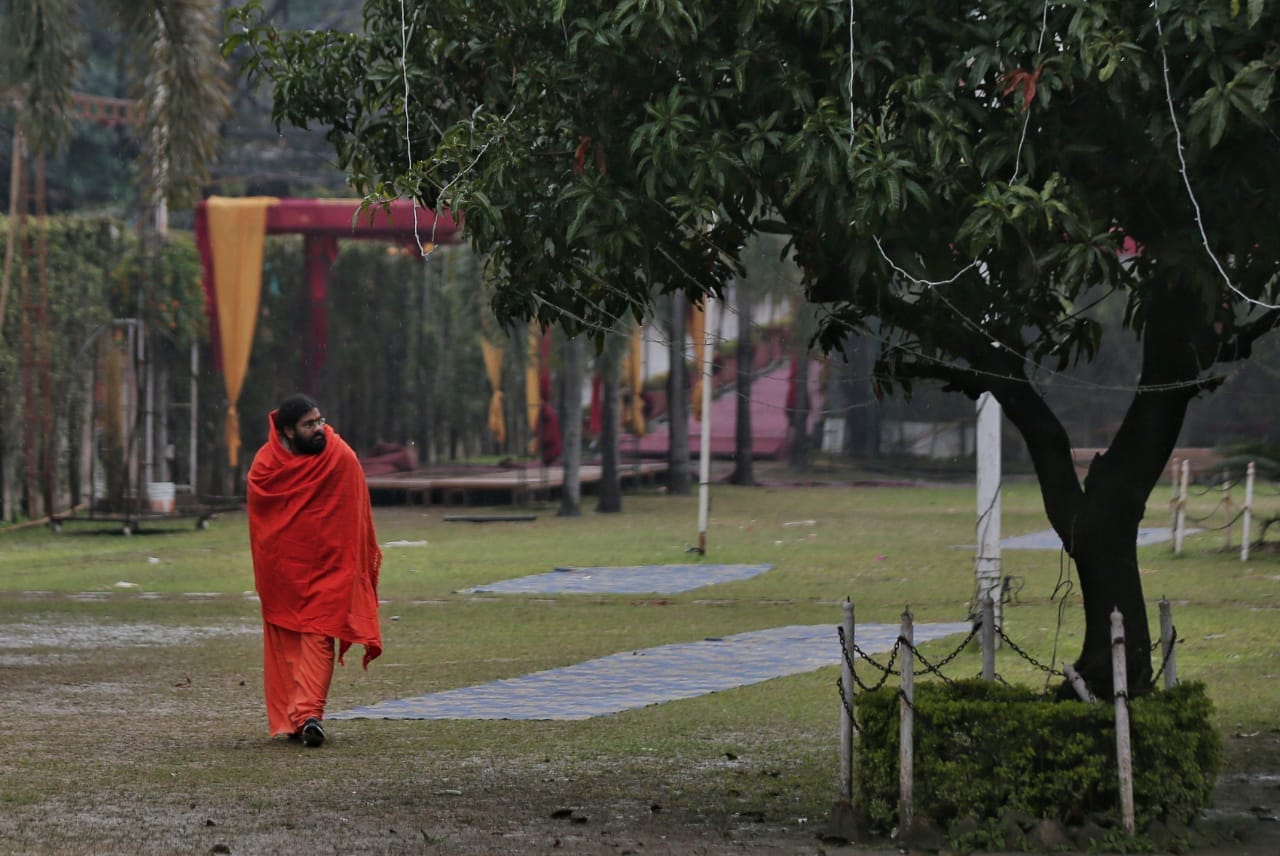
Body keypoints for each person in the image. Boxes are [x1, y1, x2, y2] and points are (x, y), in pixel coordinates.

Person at [246, 394, 383, 747]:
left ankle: (310, 714)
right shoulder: (265, 466)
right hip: (286, 572)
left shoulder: (339, 456)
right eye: (309, 424)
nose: (319, 428)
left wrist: (352, 562)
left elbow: (354, 513)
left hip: (331, 568)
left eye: (320, 420)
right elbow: (265, 522)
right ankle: (294, 717)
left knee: (320, 635)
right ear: (289, 430)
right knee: (288, 642)